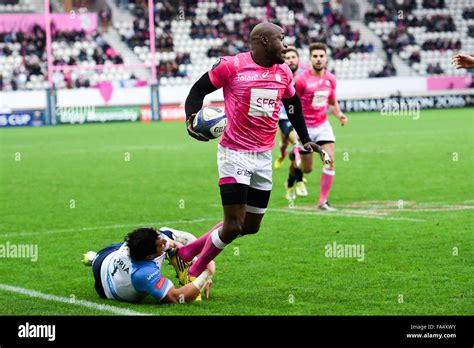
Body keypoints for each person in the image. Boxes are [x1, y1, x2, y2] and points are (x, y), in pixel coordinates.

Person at [182, 22, 331, 280]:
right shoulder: (232, 66)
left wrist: (305, 139)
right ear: (263, 41)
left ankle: (185, 252)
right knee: (233, 224)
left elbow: (292, 102)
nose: (285, 46)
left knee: (250, 226)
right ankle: (192, 271)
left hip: (263, 155)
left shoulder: (284, 72)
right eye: (281, 40)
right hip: (234, 152)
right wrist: (190, 119)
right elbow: (198, 90)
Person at [83, 226, 214, 304]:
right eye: (161, 244)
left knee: (176, 236)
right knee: (171, 238)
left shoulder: (144, 238)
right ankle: (93, 258)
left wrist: (201, 261)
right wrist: (206, 274)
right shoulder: (142, 273)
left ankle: (178, 264)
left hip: (113, 253)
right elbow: (177, 296)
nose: (164, 241)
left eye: (158, 237)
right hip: (102, 273)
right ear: (149, 257)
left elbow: (177, 245)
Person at [294, 43, 348, 211]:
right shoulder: (301, 81)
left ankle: (322, 201)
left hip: (323, 125)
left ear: (326, 58)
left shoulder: (331, 79)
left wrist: (339, 115)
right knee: (307, 169)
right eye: (315, 56)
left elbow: (331, 102)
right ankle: (296, 154)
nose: (318, 59)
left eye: (321, 56)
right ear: (310, 59)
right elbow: (293, 105)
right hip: (305, 129)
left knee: (329, 160)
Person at [274, 46, 309, 200]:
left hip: (299, 118)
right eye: (287, 58)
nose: (290, 60)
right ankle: (299, 181)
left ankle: (290, 184)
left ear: (298, 59)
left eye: (293, 57)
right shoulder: (278, 74)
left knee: (296, 149)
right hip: (283, 117)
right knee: (293, 145)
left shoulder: (305, 75)